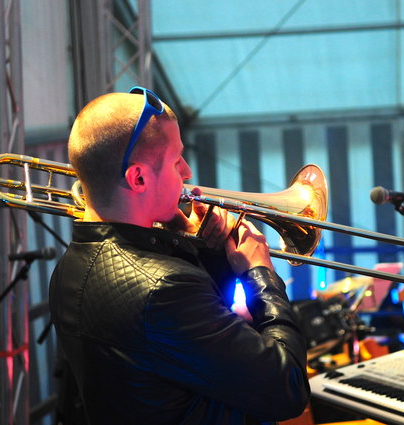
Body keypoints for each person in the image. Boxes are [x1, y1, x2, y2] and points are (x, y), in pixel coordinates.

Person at [49, 87, 310, 425]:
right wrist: (261, 274)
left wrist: (203, 250)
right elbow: (287, 388)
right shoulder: (165, 288)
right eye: (176, 161)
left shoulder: (68, 266)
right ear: (138, 178)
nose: (187, 172)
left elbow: (193, 350)